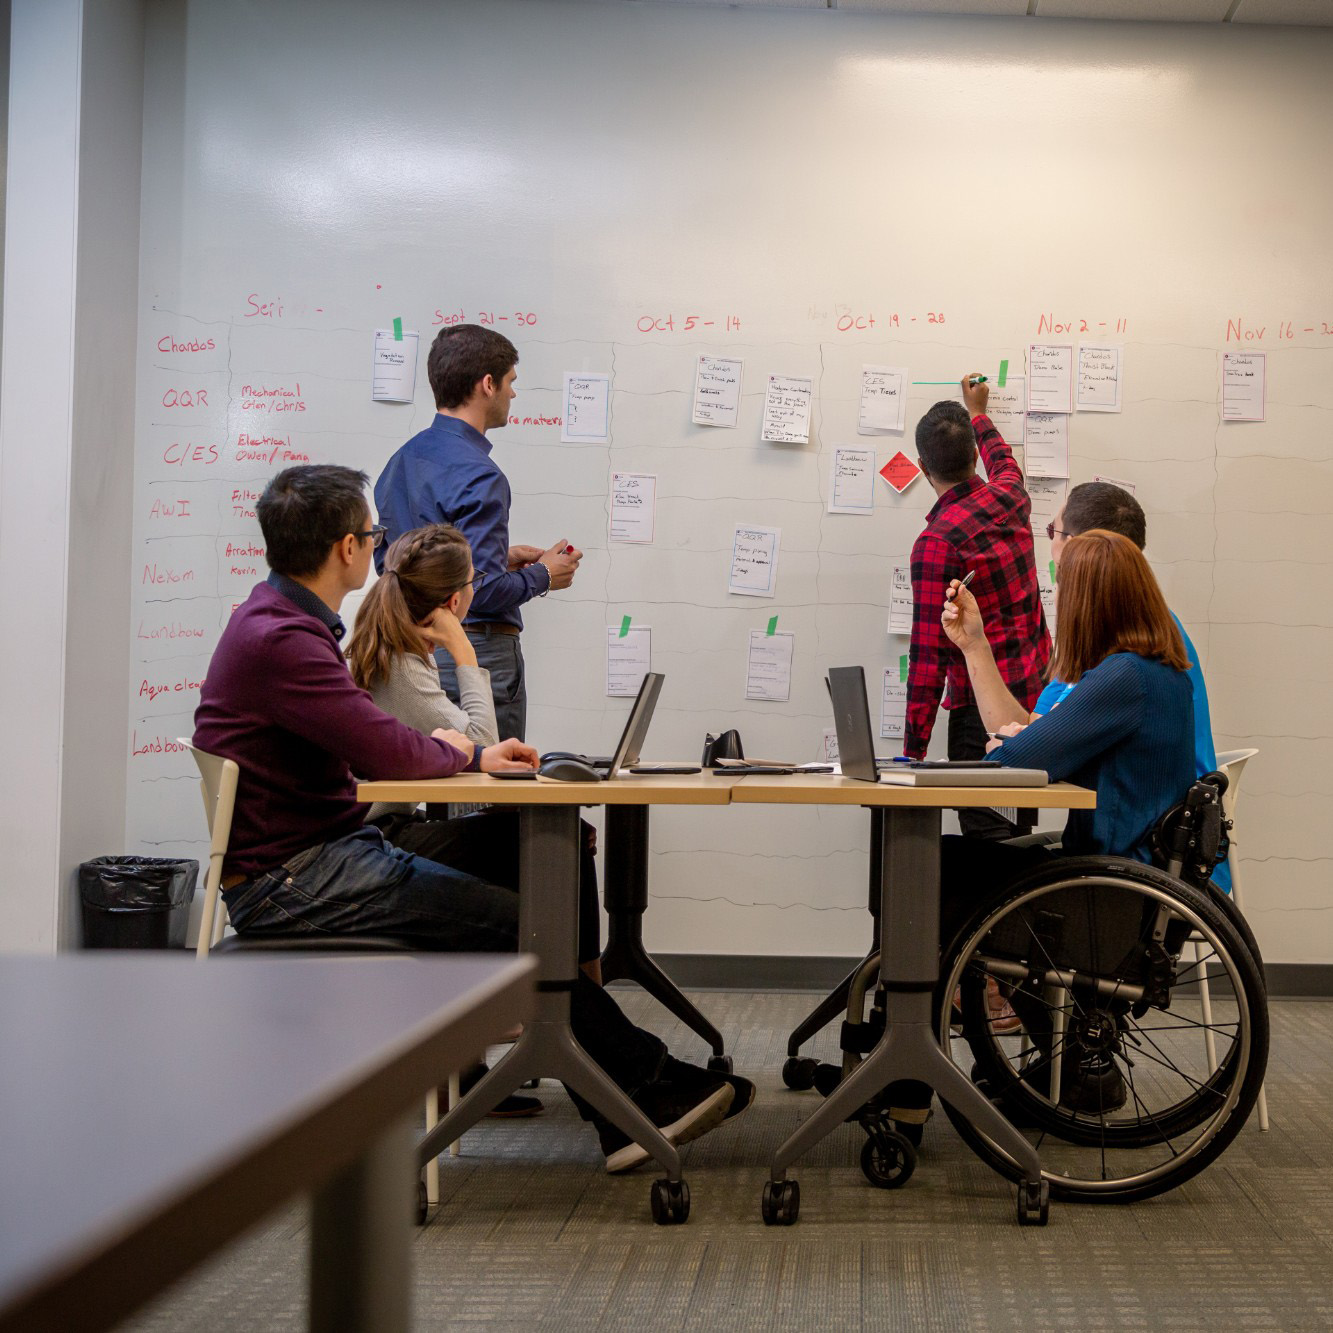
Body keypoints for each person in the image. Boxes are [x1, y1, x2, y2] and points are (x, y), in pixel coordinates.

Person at [194, 464, 751, 1171]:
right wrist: (459, 748)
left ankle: (626, 1105)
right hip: (299, 877)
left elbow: (381, 742)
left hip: (327, 852)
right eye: (369, 535)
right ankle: (642, 1092)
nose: (373, 547)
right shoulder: (283, 640)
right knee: (522, 920)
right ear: (344, 548)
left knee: (523, 852)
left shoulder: (281, 623)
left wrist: (464, 753)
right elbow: (384, 749)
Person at [879, 529, 1194, 1124]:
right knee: (952, 868)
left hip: (1104, 893)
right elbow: (1035, 738)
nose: (1056, 603)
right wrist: (978, 650)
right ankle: (1071, 1058)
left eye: (1063, 591)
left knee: (932, 875)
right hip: (1123, 875)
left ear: (1091, 601)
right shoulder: (1154, 674)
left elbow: (1013, 757)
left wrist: (1023, 743)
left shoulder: (1122, 678)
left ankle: (907, 1082)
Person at [344, 522, 604, 983]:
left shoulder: (397, 649)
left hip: (386, 830)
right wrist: (464, 651)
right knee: (562, 842)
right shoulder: (401, 664)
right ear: (453, 602)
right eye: (474, 583)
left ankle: (578, 994)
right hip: (382, 839)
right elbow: (480, 735)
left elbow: (469, 745)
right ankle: (580, 992)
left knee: (562, 835)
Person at [374, 325, 582, 741]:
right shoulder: (481, 475)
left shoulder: (400, 462)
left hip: (410, 655)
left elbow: (403, 567)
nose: (513, 394)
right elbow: (479, 592)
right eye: (510, 383)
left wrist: (496, 560)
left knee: (437, 787)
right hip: (477, 652)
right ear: (487, 384)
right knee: (490, 794)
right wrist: (543, 576)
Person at [1032, 480, 1229, 891]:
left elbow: (1032, 745)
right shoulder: (1157, 638)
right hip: (1165, 843)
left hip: (1141, 855)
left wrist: (1014, 742)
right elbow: (1041, 733)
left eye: (1054, 533)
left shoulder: (1126, 666)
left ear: (1083, 553)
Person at [905, 374, 1050, 839]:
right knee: (1018, 832)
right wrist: (981, 413)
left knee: (987, 837)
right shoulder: (1011, 495)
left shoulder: (936, 543)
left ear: (924, 469)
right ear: (974, 457)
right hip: (1035, 698)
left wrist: (911, 756)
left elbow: (929, 659)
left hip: (979, 710)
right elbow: (1004, 461)